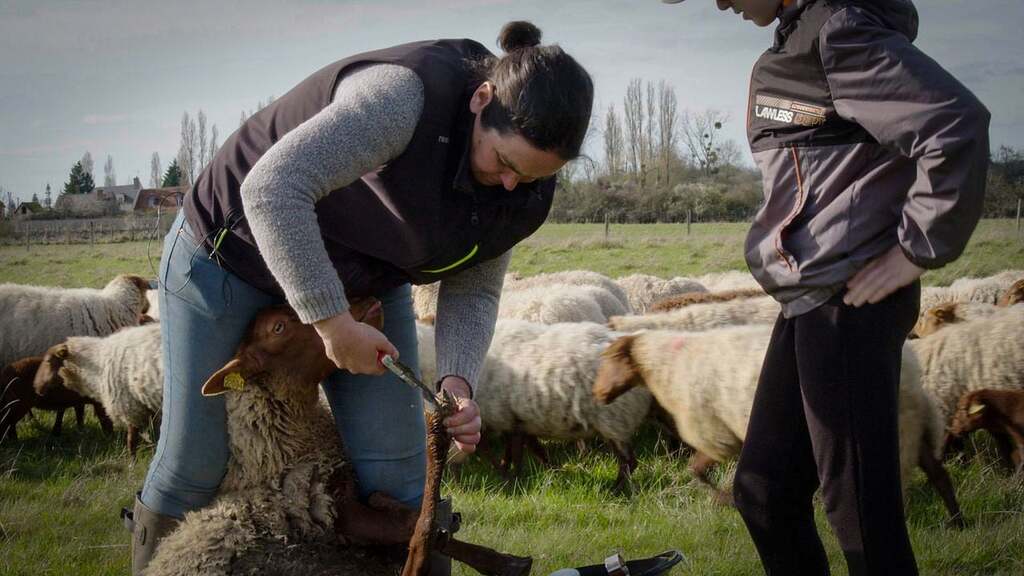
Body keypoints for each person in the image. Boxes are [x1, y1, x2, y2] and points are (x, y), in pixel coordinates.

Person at [127, 21, 594, 575]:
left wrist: (457, 383)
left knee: (399, 471)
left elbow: (476, 281)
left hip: (361, 279)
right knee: (194, 464)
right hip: (230, 256)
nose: (513, 185)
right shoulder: (400, 99)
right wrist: (330, 324)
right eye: (505, 162)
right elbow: (272, 189)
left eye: (535, 177)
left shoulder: (525, 185)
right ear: (481, 99)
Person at [662, 1, 989, 575]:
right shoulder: (803, 36)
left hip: (848, 299)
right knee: (763, 491)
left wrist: (916, 249)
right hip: (813, 299)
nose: (720, 2)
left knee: (861, 515)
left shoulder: (840, 32)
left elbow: (953, 122)